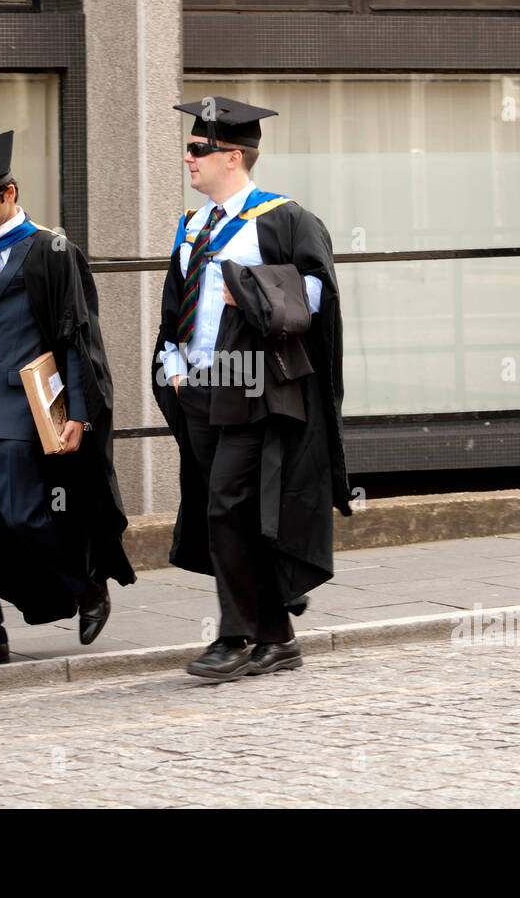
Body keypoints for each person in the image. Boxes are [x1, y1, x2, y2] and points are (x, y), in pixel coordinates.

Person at [151, 97, 350, 681]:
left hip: (254, 388)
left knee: (225, 506)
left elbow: (317, 298)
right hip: (199, 388)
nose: (188, 159)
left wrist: (257, 296)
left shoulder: (285, 219)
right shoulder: (192, 226)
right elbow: (175, 306)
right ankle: (278, 637)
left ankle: (234, 637)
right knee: (231, 513)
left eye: (197, 150)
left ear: (232, 156)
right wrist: (172, 362)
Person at [0, 130, 134, 670]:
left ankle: (85, 585)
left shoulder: (52, 251)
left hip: (23, 410)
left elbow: (78, 338)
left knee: (23, 514)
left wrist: (81, 415)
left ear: (10, 193)